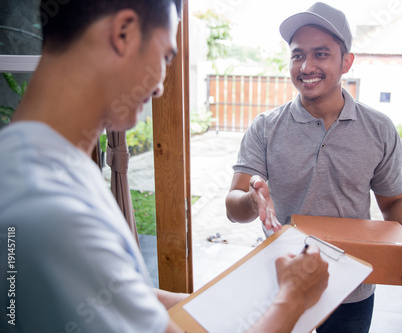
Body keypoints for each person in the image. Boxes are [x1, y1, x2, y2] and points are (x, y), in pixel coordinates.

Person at [0, 1, 329, 332]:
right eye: (164, 56)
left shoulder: (47, 163)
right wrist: (294, 297)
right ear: (124, 33)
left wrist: (225, 297)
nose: (159, 86)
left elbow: (114, 292)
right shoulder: (47, 206)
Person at [225, 2, 402, 332]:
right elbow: (233, 207)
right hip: (282, 280)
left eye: (321, 54)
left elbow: (393, 201)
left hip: (352, 292)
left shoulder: (379, 128)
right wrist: (251, 201)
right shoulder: (265, 127)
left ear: (346, 61)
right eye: (297, 55)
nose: (306, 65)